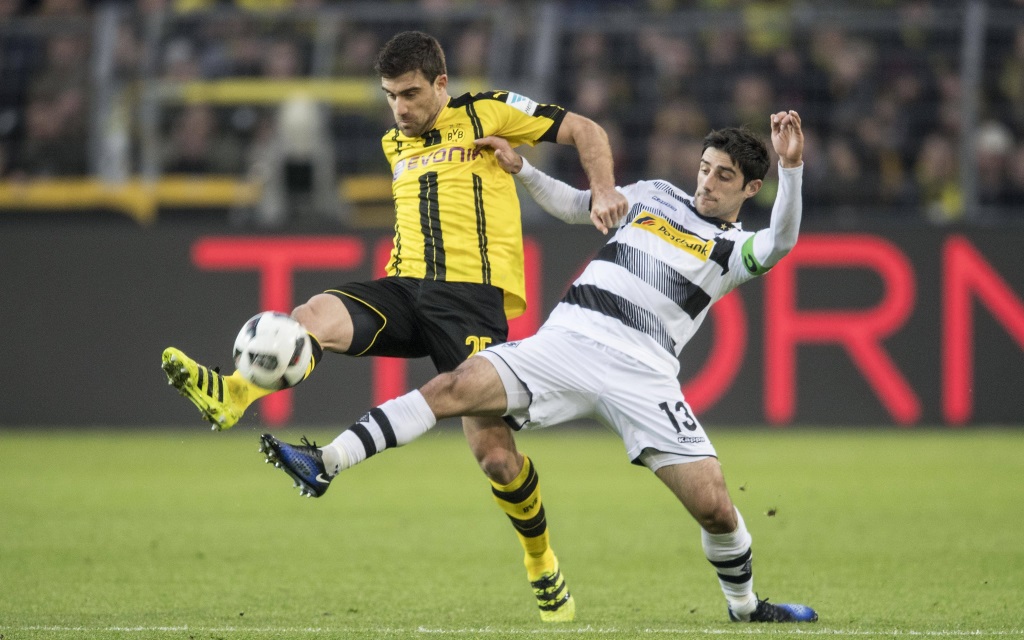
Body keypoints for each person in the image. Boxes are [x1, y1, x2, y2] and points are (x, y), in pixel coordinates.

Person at [258, 110, 819, 624]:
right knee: (452, 386)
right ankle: (326, 460)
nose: (707, 182)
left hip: (643, 374)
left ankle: (744, 607)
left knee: (715, 508)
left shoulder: (734, 248)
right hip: (568, 341)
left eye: (724, 177)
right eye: (705, 168)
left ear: (751, 187)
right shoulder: (653, 196)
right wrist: (524, 168)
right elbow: (578, 205)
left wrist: (791, 169)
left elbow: (781, 242)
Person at [162, 30, 628, 623]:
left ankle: (541, 562)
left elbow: (587, 130)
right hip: (405, 289)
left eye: (410, 94)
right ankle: (234, 393)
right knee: (309, 318)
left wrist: (603, 192)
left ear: (440, 84)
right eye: (390, 96)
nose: (400, 109)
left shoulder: (488, 111)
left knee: (495, 457)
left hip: (471, 303)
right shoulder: (394, 142)